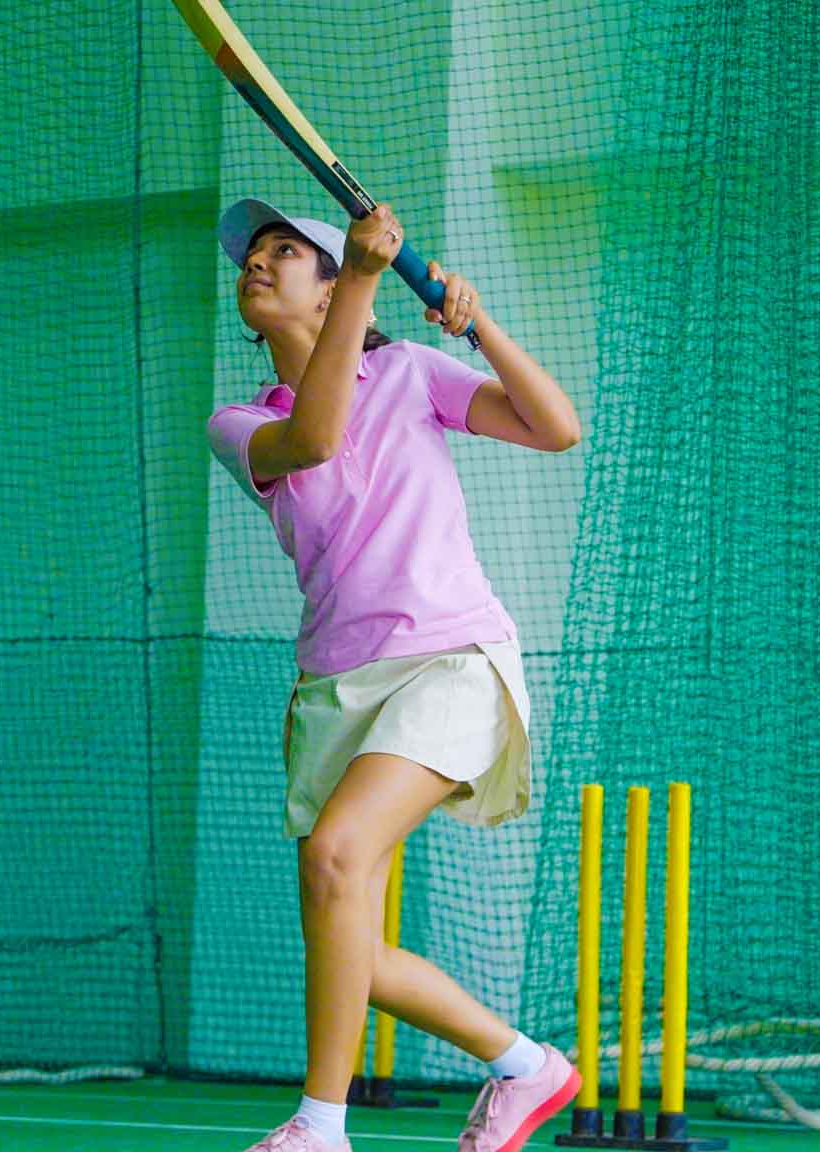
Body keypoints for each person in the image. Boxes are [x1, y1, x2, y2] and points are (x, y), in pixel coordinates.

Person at [205, 197, 582, 1152]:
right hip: (333, 689)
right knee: (350, 951)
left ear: (332, 285)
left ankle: (319, 1131)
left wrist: (477, 319)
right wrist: (367, 275)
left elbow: (556, 428)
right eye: (252, 254)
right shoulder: (240, 421)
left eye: (284, 250)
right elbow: (315, 440)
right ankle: (528, 1067)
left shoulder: (410, 370)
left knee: (336, 858)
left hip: (449, 658)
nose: (256, 262)